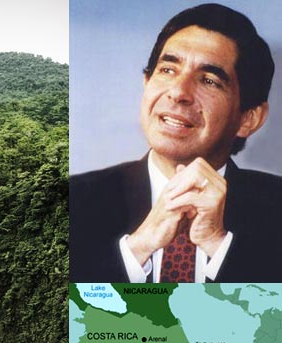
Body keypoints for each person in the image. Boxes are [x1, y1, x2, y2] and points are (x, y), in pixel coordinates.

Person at [70, 3, 282, 282]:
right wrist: (137, 249)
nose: (179, 92)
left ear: (248, 118)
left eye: (209, 80)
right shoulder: (73, 201)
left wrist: (219, 246)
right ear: (146, 83)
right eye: (168, 70)